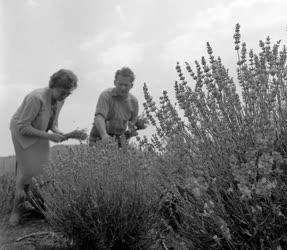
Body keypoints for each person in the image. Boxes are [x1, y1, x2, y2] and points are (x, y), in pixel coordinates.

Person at [9, 69, 78, 226]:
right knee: (26, 172)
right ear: (52, 85)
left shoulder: (60, 99)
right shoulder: (36, 98)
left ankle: (46, 208)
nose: (65, 96)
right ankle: (16, 212)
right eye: (63, 92)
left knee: (44, 170)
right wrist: (49, 136)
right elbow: (22, 127)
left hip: (39, 132)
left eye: (68, 94)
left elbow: (53, 125)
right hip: (21, 133)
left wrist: (64, 134)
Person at [89, 66, 139, 147]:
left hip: (120, 138)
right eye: (120, 84)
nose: (123, 88)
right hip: (99, 136)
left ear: (131, 85)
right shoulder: (106, 95)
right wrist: (104, 135)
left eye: (126, 85)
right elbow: (99, 117)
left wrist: (133, 129)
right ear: (115, 82)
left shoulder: (134, 102)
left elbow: (132, 123)